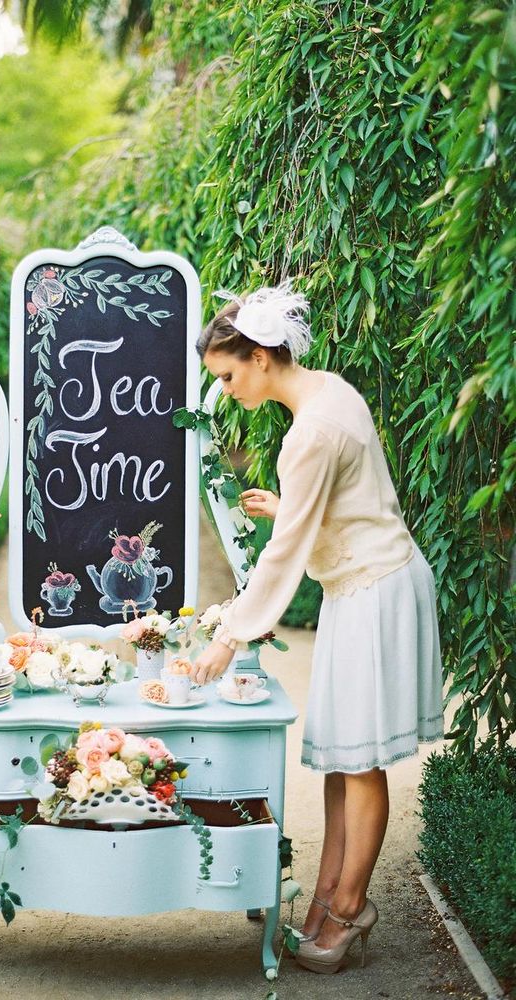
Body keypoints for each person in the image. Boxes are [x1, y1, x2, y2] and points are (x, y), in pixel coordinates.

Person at [190, 282, 444, 974]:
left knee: (359, 765)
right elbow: (345, 498)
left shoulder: (312, 430)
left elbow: (283, 558)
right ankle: (329, 893)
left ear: (263, 357)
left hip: (374, 590)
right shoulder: (331, 390)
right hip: (364, 582)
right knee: (341, 758)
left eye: (228, 373)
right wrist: (292, 506)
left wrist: (229, 635)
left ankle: (348, 907)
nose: (228, 387)